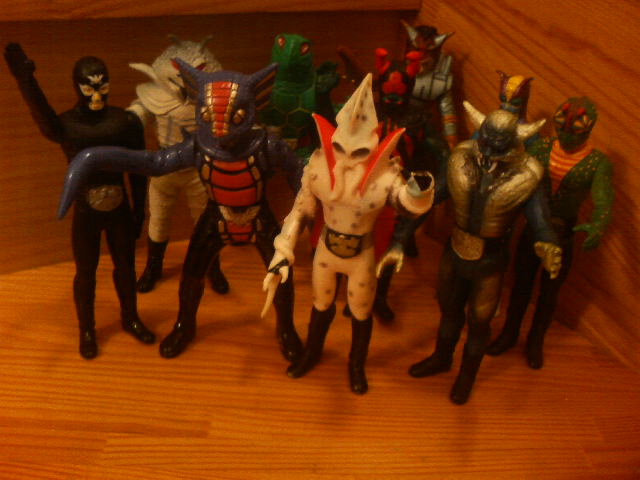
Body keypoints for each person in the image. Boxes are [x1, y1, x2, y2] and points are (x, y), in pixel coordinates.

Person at [5, 43, 155, 358]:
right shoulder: (68, 125)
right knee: (86, 274)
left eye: (103, 86)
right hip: (86, 211)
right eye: (89, 87)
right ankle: (87, 329)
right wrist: (26, 82)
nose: (96, 95)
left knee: (126, 268)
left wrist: (140, 212)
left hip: (120, 209)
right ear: (77, 87)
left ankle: (130, 317)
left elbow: (139, 170)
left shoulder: (125, 122)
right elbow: (44, 119)